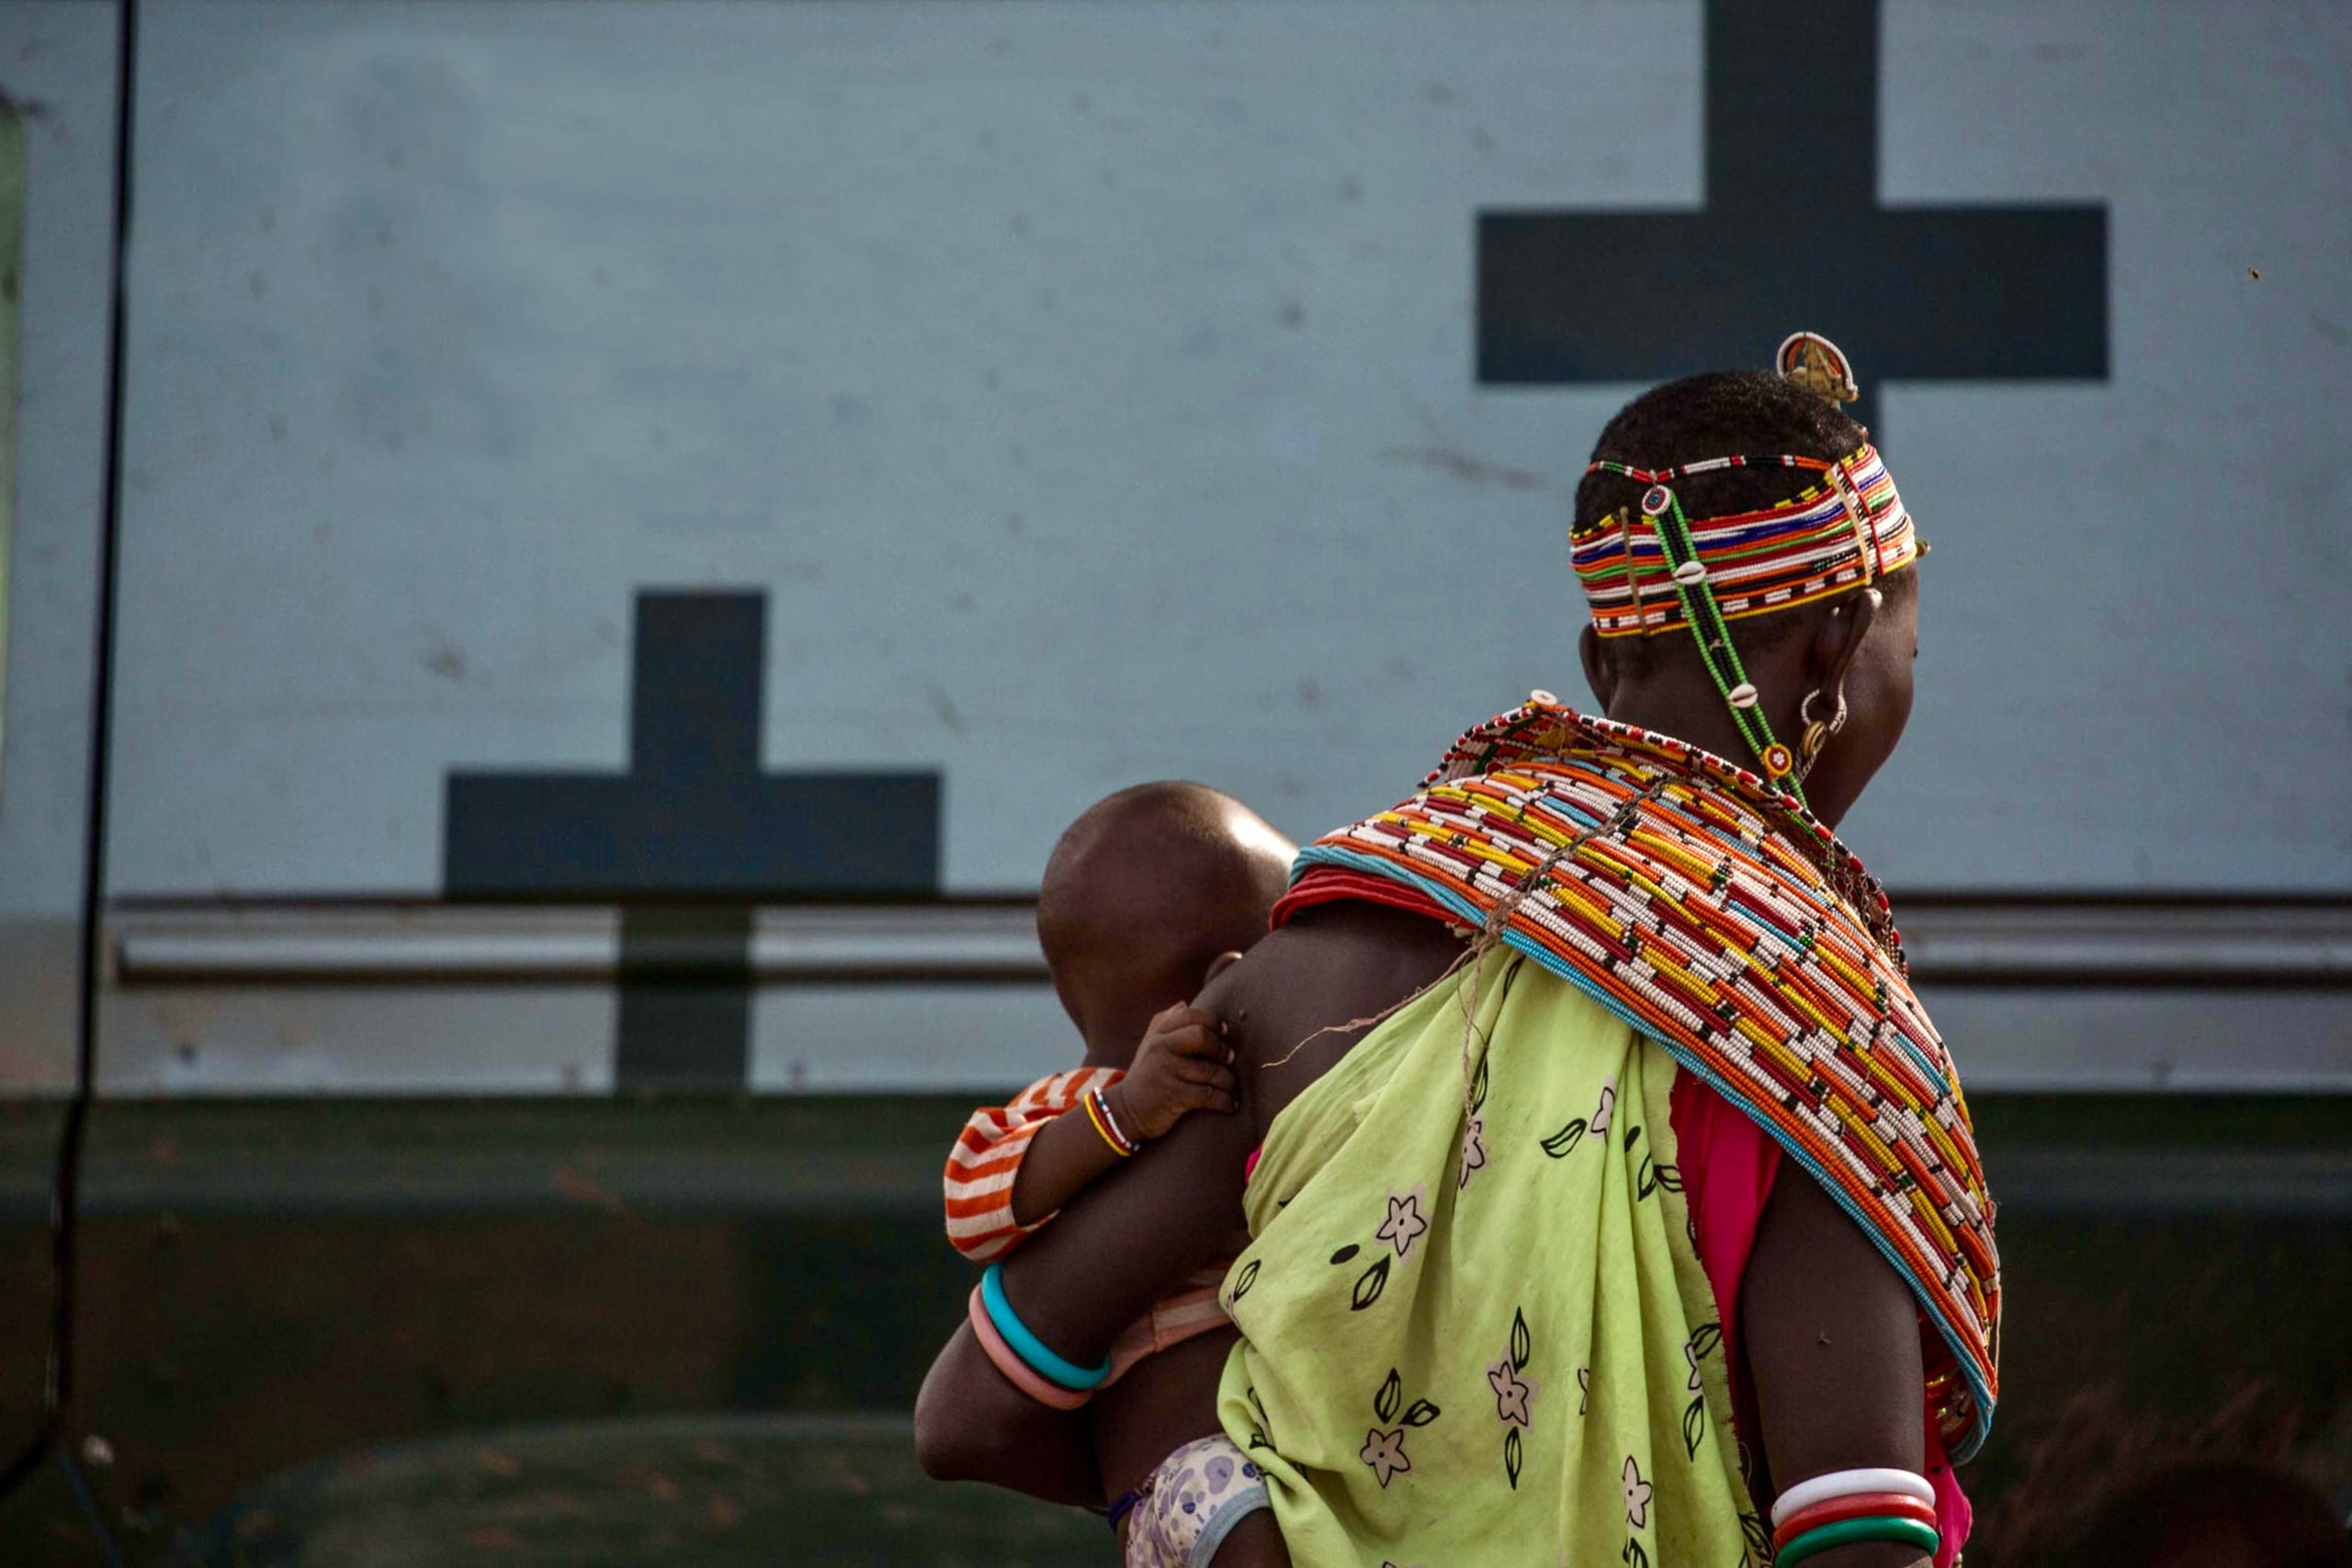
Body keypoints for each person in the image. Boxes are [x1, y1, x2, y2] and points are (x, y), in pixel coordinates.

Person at [920, 351, 1997, 1568]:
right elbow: (1860, 1535)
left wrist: (1203, 1492)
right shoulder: (1808, 1030)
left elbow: (975, 1407)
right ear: (1840, 639)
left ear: (1601, 665)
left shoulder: (1303, 966)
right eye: (1911, 630)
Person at [939, 782, 1298, 1566]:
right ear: (1227, 980)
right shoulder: (1070, 1108)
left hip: (1271, 1458)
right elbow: (971, 1202)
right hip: (1189, 1485)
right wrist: (1128, 1114)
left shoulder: (1260, 1104)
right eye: (1291, 945)